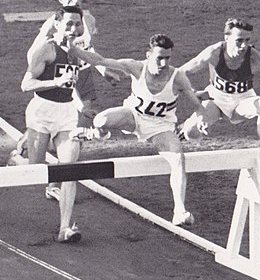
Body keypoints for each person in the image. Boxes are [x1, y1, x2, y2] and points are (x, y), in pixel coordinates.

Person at [66, 33, 206, 227]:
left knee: (178, 158)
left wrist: (200, 119)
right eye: (159, 58)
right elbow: (100, 60)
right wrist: (74, 50)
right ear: (148, 55)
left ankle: (179, 210)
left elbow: (196, 104)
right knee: (101, 120)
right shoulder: (136, 67)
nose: (164, 63)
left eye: (168, 58)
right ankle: (96, 134)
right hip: (133, 117)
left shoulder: (177, 77)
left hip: (160, 127)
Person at [20, 0, 119, 201]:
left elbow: (89, 48)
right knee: (35, 163)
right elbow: (33, 54)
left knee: (82, 123)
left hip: (81, 73)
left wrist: (104, 71)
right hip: (58, 72)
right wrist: (53, 67)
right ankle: (24, 152)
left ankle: (59, 178)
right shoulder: (52, 23)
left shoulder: (88, 19)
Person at [177, 18, 260, 171]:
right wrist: (196, 97)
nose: (244, 46)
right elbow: (179, 74)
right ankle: (184, 128)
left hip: (243, 100)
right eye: (239, 41)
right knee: (192, 133)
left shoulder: (256, 58)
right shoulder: (214, 53)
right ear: (226, 38)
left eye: (247, 40)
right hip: (215, 98)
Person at [20, 5, 91, 243]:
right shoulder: (47, 49)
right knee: (34, 170)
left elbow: (73, 84)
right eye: (68, 24)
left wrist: (80, 104)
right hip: (42, 111)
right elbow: (26, 85)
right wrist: (55, 81)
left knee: (69, 168)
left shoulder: (77, 52)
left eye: (77, 24)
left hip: (66, 115)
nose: (73, 29)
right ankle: (18, 155)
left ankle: (65, 228)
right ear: (57, 24)